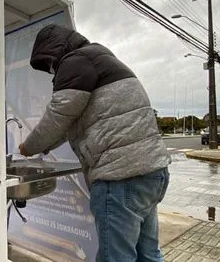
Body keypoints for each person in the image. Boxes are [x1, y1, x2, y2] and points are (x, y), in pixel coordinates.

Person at [18, 24, 171, 262]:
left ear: (53, 52)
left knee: (116, 258)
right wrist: (46, 145)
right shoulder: (100, 58)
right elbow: (70, 123)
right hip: (152, 172)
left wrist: (28, 147)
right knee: (148, 254)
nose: (51, 71)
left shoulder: (74, 62)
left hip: (120, 178)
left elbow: (58, 116)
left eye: (48, 64)